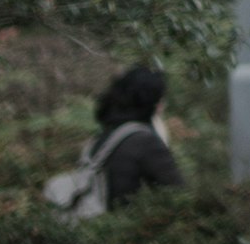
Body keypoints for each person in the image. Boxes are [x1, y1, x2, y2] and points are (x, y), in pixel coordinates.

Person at [53, 64, 184, 216]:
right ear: (152, 101)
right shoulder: (145, 142)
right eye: (161, 99)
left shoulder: (102, 139)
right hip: (125, 233)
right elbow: (179, 196)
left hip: (93, 228)